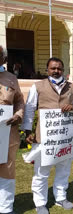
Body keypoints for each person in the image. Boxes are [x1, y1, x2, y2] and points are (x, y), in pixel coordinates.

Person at [21, 57, 73, 214]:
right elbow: (29, 108)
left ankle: (61, 197)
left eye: (59, 68)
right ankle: (40, 203)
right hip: (45, 138)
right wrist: (28, 130)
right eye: (53, 68)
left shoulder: (71, 87)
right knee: (41, 172)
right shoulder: (38, 86)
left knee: (63, 169)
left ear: (63, 70)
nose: (56, 71)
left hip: (65, 138)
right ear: (47, 70)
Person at [0, 45, 25, 214]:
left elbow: (19, 101)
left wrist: (19, 115)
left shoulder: (11, 78)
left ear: (4, 59)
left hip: (6, 134)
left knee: (7, 170)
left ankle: (6, 208)